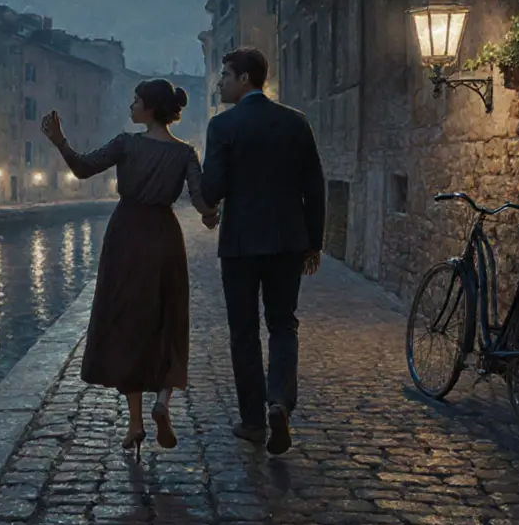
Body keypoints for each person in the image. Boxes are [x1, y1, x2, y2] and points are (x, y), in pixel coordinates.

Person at [41, 78, 218, 457]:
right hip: (164, 237)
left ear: (150, 108)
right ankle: (162, 402)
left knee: (128, 323)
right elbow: (201, 200)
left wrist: (60, 141)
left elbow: (84, 168)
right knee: (168, 318)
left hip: (126, 236)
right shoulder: (186, 153)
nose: (130, 106)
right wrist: (210, 216)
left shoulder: (127, 143)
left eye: (136, 101)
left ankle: (135, 422)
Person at [201, 47, 326, 456]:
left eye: (224, 75)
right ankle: (279, 403)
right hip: (287, 241)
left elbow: (213, 188)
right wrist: (314, 242)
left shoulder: (223, 126)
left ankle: (254, 421)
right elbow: (315, 187)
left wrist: (205, 197)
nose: (219, 82)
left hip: (239, 245)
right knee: (283, 325)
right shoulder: (296, 123)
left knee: (243, 332)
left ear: (244, 79)